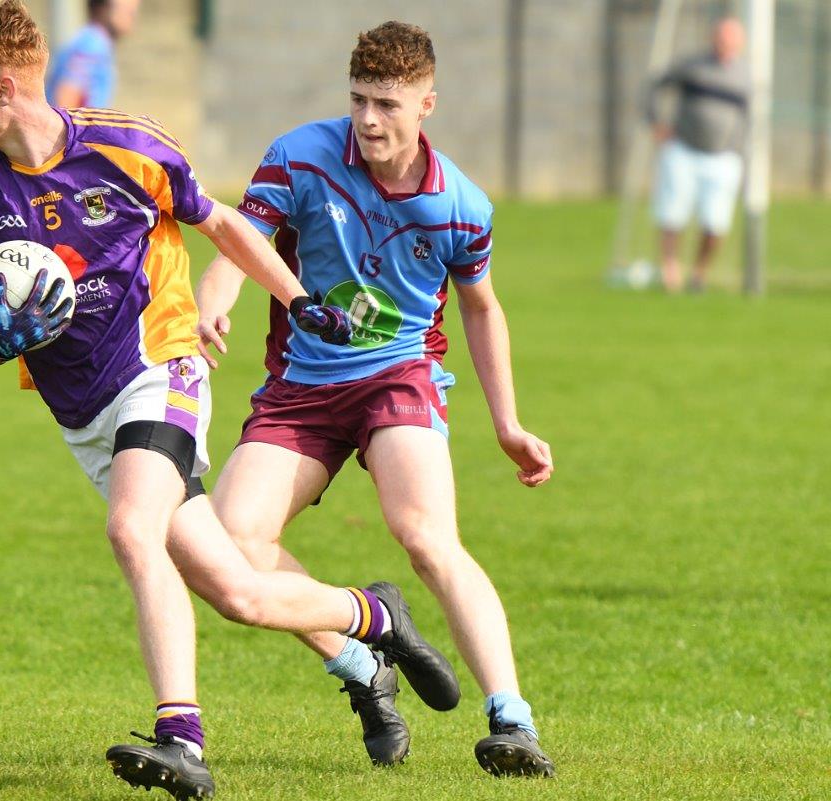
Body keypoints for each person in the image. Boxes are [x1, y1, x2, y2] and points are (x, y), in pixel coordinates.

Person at [0, 3, 458, 798]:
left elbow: (223, 223)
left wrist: (297, 298)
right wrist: (2, 339)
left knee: (133, 529)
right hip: (85, 417)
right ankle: (369, 626)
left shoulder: (125, 145)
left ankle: (182, 737)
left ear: (2, 89)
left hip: (161, 369)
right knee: (235, 589)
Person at [195, 21, 557, 778]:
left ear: (427, 103)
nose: (368, 120)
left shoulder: (459, 204)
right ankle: (361, 663)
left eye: (387, 104)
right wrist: (213, 301)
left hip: (399, 376)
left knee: (425, 534)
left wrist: (508, 423)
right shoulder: (299, 155)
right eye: (358, 99)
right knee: (231, 543)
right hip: (301, 385)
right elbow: (239, 238)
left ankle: (513, 719)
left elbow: (482, 308)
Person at [646, 17, 750, 293]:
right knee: (672, 214)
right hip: (684, 150)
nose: (725, 44)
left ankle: (699, 273)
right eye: (721, 38)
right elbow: (655, 86)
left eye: (731, 39)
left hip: (722, 157)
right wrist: (657, 123)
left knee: (715, 223)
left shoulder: (745, 76)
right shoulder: (693, 67)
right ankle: (670, 269)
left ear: (741, 43)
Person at [45, 0, 140, 108]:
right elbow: (66, 96)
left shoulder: (93, 40)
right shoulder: (93, 43)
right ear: (102, 8)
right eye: (127, 9)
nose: (133, 12)